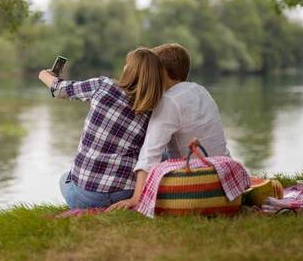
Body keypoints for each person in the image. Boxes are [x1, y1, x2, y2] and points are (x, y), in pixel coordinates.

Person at [108, 43, 231, 211]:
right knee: (165, 154)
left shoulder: (169, 101)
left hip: (196, 179)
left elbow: (149, 154)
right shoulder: (201, 90)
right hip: (222, 172)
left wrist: (137, 199)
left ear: (162, 71)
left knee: (142, 157)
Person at [38, 48, 165, 209]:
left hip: (85, 198)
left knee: (64, 178)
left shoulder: (104, 86)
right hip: (125, 193)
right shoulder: (154, 110)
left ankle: (88, 206)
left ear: (129, 70)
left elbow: (60, 90)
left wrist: (44, 75)